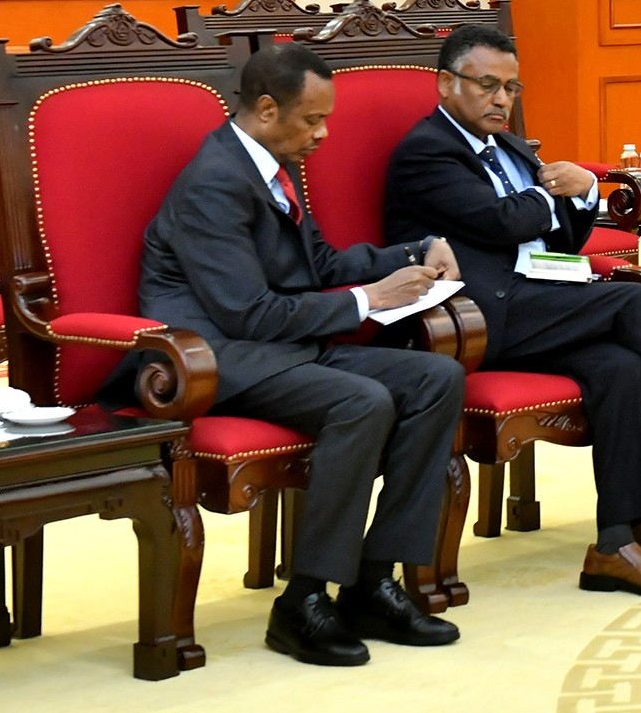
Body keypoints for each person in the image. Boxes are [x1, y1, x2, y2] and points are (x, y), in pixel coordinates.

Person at [384, 25, 641, 601]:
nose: (502, 100)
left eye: (511, 87)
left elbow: (563, 234)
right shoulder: (427, 151)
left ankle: (615, 547)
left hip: (532, 297)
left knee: (616, 367)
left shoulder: (506, 147)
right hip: (472, 318)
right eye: (487, 86)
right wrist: (564, 191)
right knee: (634, 298)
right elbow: (503, 222)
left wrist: (579, 196)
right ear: (446, 84)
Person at [125, 43, 465, 666]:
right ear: (264, 110)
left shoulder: (272, 165)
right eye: (312, 120)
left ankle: (373, 581)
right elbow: (245, 311)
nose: (324, 134)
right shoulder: (215, 182)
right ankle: (302, 603)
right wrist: (368, 300)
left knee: (437, 378)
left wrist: (417, 250)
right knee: (361, 401)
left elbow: (323, 267)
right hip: (213, 358)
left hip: (280, 345)